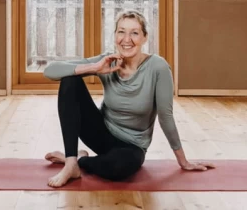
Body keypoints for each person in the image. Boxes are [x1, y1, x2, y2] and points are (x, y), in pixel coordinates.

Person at [42, 10, 216, 188]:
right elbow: (50, 71)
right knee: (70, 80)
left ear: (144, 37)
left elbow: (166, 116)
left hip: (131, 147)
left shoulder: (158, 67)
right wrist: (94, 67)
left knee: (117, 169)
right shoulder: (107, 60)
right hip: (100, 134)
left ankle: (80, 161)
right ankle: (71, 161)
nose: (127, 39)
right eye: (121, 32)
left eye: (134, 33)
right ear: (115, 35)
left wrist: (183, 161)